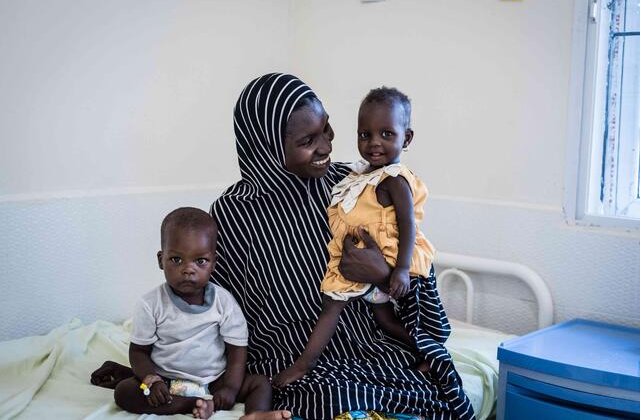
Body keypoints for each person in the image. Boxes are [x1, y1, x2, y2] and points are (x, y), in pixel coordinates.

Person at [92, 73, 475, 420]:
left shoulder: (353, 185)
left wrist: (382, 272)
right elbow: (209, 304)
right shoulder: (233, 212)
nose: (326, 146)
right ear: (266, 146)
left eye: (328, 130)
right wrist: (157, 370)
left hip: (369, 337)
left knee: (431, 380)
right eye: (308, 141)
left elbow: (413, 265)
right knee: (321, 396)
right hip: (286, 351)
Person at [272, 86, 436, 388]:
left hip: (385, 260)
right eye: (365, 134)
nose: (374, 143)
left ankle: (428, 351)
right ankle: (304, 364)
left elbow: (408, 224)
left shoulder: (395, 179)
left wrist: (398, 269)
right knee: (346, 310)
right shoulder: (354, 176)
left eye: (387, 134)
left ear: (407, 138)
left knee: (386, 320)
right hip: (352, 267)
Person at [111, 207, 291, 420]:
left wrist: (231, 389)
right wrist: (152, 379)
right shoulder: (151, 304)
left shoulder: (223, 302)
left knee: (260, 383)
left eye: (200, 261)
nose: (188, 269)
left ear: (213, 263)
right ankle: (192, 405)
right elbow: (139, 352)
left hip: (214, 380)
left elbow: (237, 350)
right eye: (177, 260)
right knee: (124, 392)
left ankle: (255, 414)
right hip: (168, 381)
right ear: (161, 260)